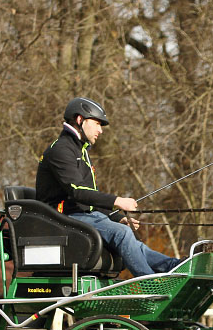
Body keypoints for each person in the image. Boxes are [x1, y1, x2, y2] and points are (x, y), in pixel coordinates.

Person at [35, 97, 181, 276]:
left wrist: (118, 217)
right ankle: (150, 283)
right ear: (80, 120)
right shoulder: (61, 150)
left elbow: (88, 200)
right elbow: (78, 192)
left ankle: (175, 267)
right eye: (97, 123)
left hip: (80, 215)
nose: (100, 130)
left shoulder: (80, 150)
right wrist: (117, 201)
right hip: (60, 219)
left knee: (129, 236)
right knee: (122, 234)